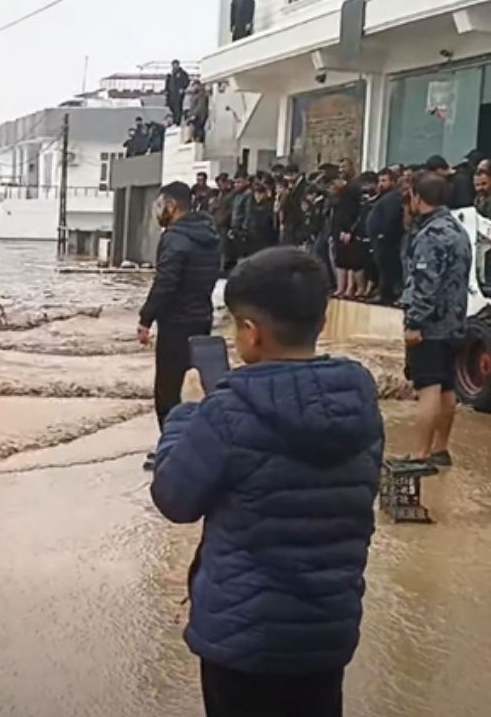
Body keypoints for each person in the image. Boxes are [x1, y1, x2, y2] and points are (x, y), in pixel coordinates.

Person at [152, 246, 381, 717]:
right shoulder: (358, 397)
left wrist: (186, 412)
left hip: (244, 638)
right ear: (321, 320)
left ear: (251, 333)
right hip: (327, 632)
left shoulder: (227, 409)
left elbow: (174, 498)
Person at [137, 181, 220, 469]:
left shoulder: (174, 238)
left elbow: (166, 282)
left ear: (171, 205)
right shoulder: (209, 235)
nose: (158, 211)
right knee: (197, 386)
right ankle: (194, 445)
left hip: (175, 324)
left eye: (160, 205)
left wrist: (146, 318)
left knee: (168, 390)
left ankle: (172, 450)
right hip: (202, 318)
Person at [401, 171, 474, 467]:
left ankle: (420, 454)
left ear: (417, 197)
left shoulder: (431, 236)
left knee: (428, 387)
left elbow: (425, 285)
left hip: (431, 326)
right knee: (446, 388)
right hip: (455, 323)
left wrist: (414, 323)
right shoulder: (458, 230)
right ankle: (440, 449)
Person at [368, 168, 406, 305]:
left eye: (384, 181)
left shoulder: (392, 198)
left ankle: (386, 294)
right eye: (379, 181)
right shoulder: (382, 197)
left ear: (393, 182)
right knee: (381, 266)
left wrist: (383, 234)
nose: (380, 184)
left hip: (386, 239)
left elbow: (391, 217)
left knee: (387, 267)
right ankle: (383, 292)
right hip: (379, 238)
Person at [165, 60, 191, 126]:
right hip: (171, 95)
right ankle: (173, 121)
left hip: (178, 95)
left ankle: (177, 122)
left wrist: (183, 88)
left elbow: (187, 81)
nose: (175, 66)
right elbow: (167, 85)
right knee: (172, 109)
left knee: (178, 109)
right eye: (174, 65)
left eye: (176, 65)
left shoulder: (182, 74)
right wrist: (167, 92)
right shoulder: (170, 75)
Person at [188, 79, 210, 144]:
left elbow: (201, 106)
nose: (194, 87)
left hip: (200, 115)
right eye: (193, 86)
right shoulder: (194, 94)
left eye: (195, 85)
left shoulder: (201, 94)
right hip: (195, 114)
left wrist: (194, 114)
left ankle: (198, 140)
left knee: (198, 128)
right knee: (193, 127)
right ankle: (193, 139)